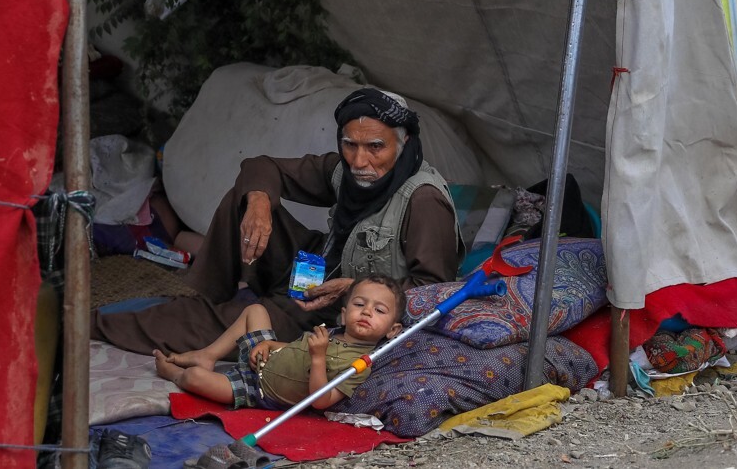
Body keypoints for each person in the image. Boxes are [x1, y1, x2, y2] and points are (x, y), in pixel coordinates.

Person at [94, 87, 461, 354]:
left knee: (230, 325)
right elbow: (261, 166)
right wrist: (259, 202)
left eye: (375, 147)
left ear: (404, 143)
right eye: (351, 144)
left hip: (342, 308)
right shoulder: (343, 171)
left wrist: (354, 288)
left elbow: (433, 294)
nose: (359, 161)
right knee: (245, 197)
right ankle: (208, 293)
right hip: (317, 271)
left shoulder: (423, 201)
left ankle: (98, 327)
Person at [152, 275, 405, 410]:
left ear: (393, 330)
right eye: (359, 304)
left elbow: (320, 401)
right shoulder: (332, 332)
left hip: (260, 390)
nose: (367, 312)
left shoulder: (360, 363)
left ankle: (172, 373)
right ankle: (208, 354)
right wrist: (270, 346)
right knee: (256, 310)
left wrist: (319, 358)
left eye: (379, 310)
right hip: (262, 359)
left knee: (195, 378)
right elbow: (295, 349)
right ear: (343, 313)